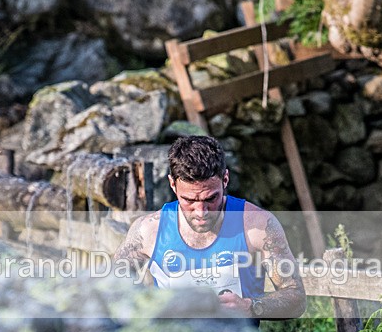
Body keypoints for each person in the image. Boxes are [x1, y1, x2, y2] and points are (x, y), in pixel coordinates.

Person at [113, 135, 306, 320]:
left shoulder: (257, 225)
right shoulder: (148, 231)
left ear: (225, 179)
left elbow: (296, 298)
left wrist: (250, 306)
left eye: (211, 198)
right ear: (173, 184)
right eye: (189, 200)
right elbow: (110, 290)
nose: (201, 212)